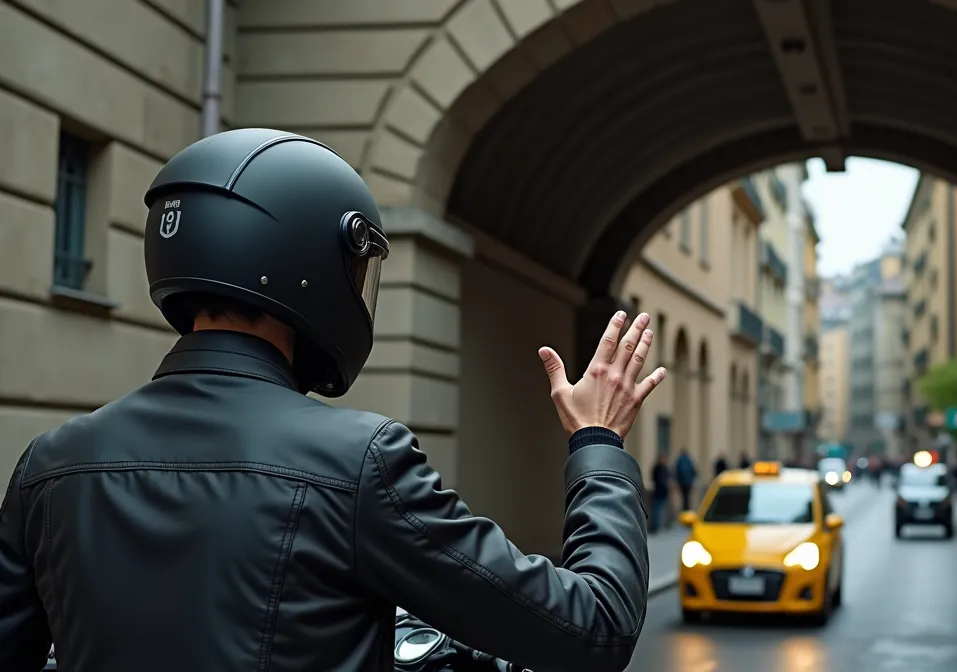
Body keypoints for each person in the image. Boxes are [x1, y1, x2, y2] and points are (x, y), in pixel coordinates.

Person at [0, 129, 667, 672]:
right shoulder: (360, 462)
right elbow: (592, 628)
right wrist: (598, 444)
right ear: (311, 266)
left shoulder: (49, 465)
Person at [649, 453, 671, 532]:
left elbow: (668, 478)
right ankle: (655, 526)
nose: (664, 461)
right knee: (656, 510)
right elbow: (656, 480)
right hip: (658, 492)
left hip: (664, 492)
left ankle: (663, 525)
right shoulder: (657, 468)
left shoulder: (665, 468)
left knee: (662, 509)